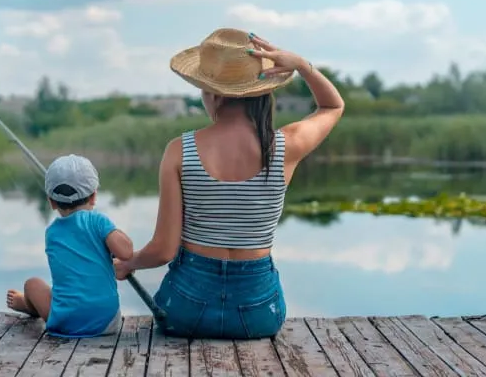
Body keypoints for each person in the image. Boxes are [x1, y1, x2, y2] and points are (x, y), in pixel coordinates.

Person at [113, 28, 345, 339]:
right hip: (260, 314)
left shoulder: (180, 150)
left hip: (185, 311)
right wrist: (302, 65)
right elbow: (332, 106)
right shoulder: (286, 146)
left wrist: (129, 263)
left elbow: (163, 250)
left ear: (213, 93)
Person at [6, 154, 134, 337]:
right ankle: (29, 305)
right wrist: (110, 231)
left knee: (32, 284)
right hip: (107, 323)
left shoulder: (51, 233)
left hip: (65, 323)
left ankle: (28, 305)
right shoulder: (98, 221)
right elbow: (127, 252)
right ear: (94, 196)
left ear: (51, 202)